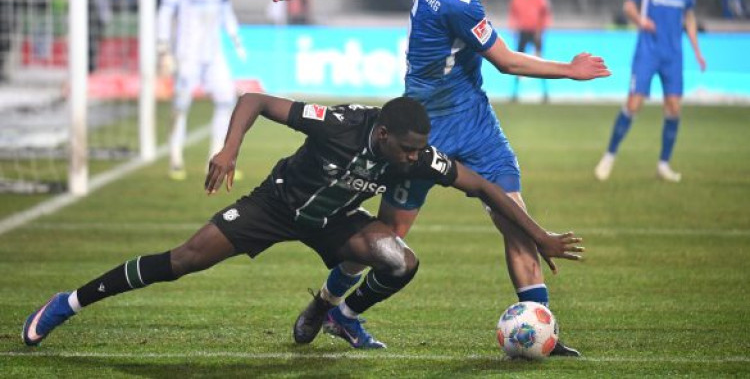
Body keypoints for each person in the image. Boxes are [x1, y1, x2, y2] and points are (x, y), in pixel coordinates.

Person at [268, 0, 609, 356]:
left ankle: (541, 330)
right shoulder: (459, 5)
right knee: (388, 238)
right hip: (421, 133)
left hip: (477, 124)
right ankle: (327, 304)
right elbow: (507, 61)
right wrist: (569, 69)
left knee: (514, 220)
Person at [21, 94, 584, 349]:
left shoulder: (417, 155)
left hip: (333, 222)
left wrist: (539, 236)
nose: (416, 159)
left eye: (420, 150)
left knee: (400, 261)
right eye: (408, 150)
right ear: (383, 135)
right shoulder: (338, 124)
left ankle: (332, 310)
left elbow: (482, 186)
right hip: (273, 207)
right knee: (183, 261)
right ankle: (68, 302)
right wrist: (229, 150)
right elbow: (254, 100)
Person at [594, 0, 706, 183]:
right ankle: (609, 156)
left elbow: (689, 17)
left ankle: (663, 165)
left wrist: (697, 51)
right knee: (634, 104)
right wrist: (641, 21)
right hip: (648, 51)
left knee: (674, 108)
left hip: (673, 54)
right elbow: (628, 6)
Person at [157, 0, 247, 181]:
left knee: (226, 100)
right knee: (181, 104)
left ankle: (218, 159)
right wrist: (163, 47)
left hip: (214, 51)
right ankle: (175, 158)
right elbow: (165, 12)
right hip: (188, 52)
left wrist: (236, 38)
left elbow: (226, 10)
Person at [508, 0, 552, 102]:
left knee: (541, 61)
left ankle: (545, 93)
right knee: (517, 62)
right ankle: (515, 93)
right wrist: (513, 28)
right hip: (523, 32)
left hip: (536, 33)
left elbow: (545, 15)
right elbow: (513, 14)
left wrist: (541, 30)